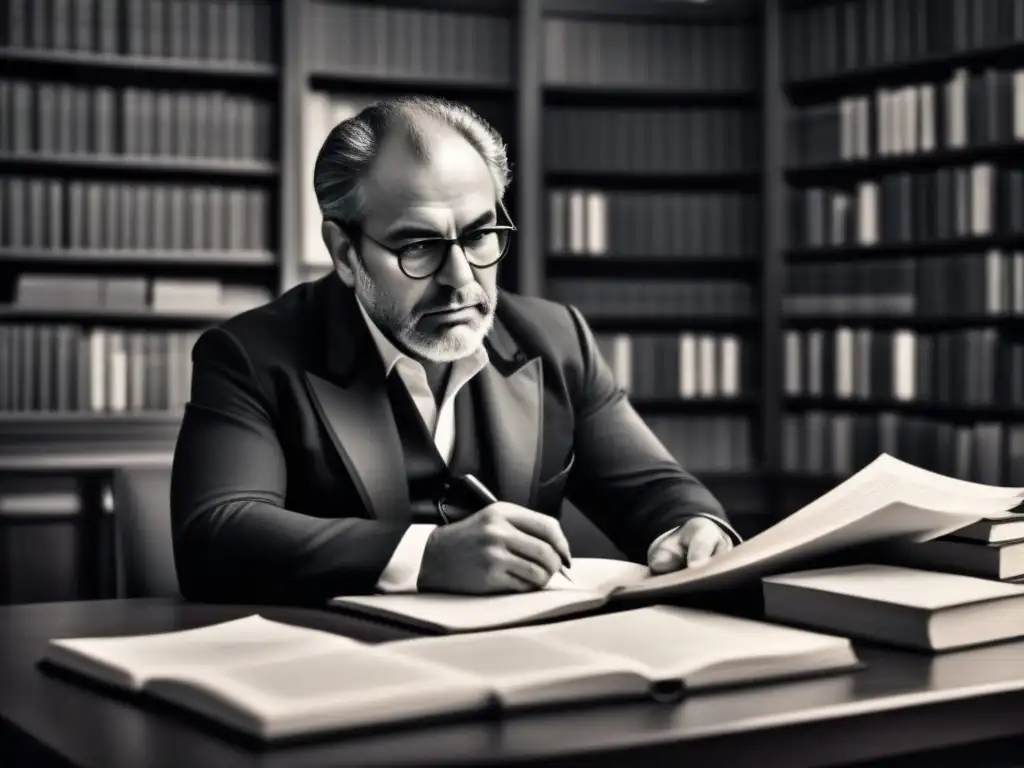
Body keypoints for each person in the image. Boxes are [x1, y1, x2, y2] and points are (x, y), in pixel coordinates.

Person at [170, 95, 741, 604]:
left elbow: (653, 488)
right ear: (345, 253)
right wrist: (426, 556)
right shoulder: (248, 354)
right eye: (418, 245)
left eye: (479, 234)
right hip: (341, 681)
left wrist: (690, 527)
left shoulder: (559, 337)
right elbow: (216, 535)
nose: (461, 278)